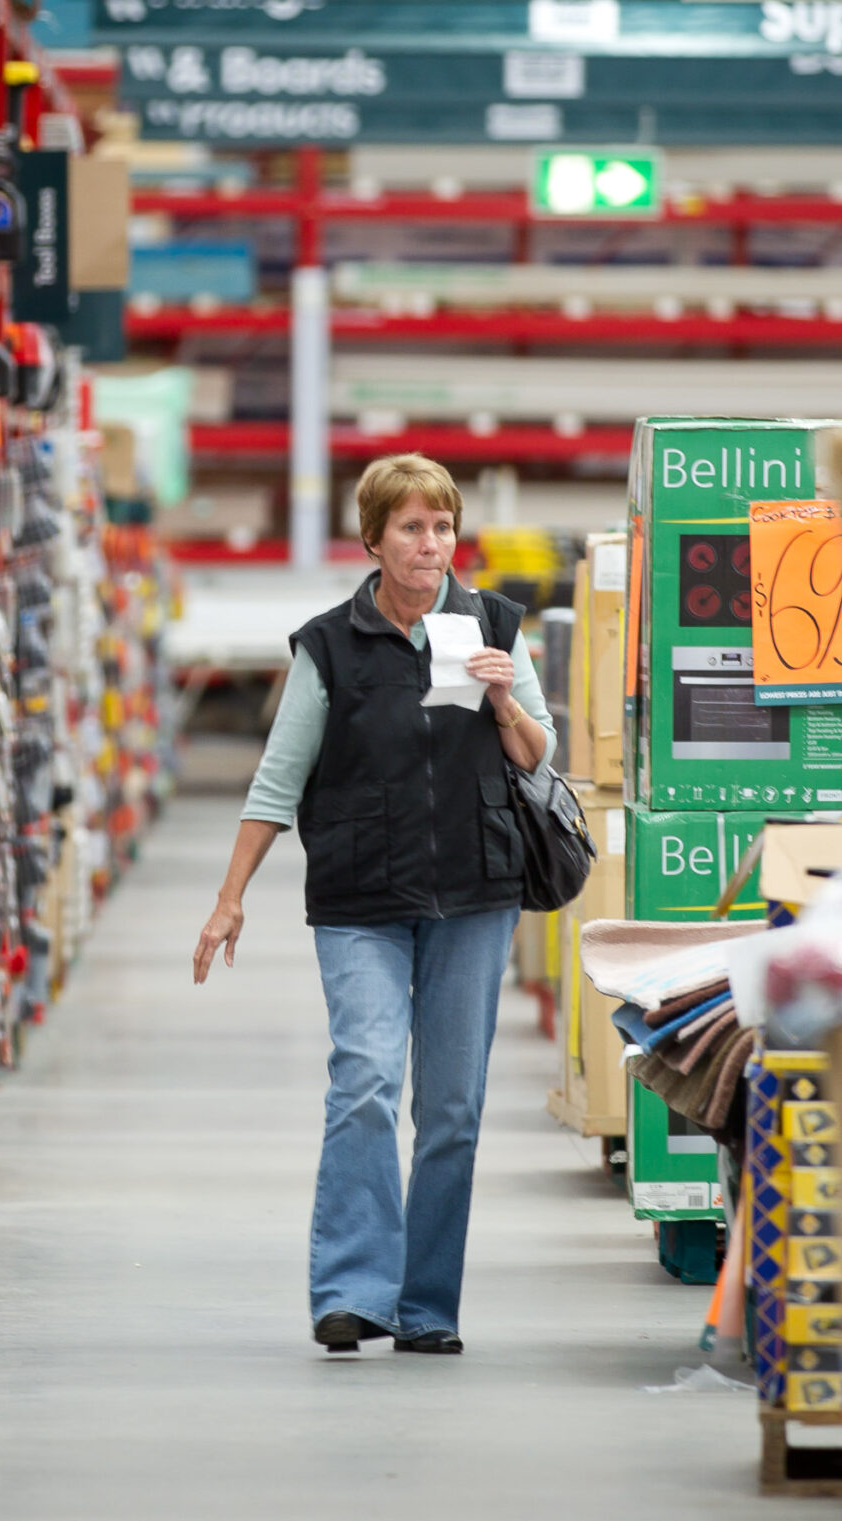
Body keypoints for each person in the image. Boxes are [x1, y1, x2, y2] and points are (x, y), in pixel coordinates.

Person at [192, 453, 555, 1357]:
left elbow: (539, 759)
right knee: (364, 1080)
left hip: (475, 892)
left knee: (454, 1107)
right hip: (361, 897)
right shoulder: (328, 646)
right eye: (411, 528)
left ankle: (428, 1303)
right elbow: (279, 779)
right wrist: (229, 897)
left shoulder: (493, 626)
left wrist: (504, 698)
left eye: (442, 527)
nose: (430, 544)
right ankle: (354, 1291)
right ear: (374, 539)